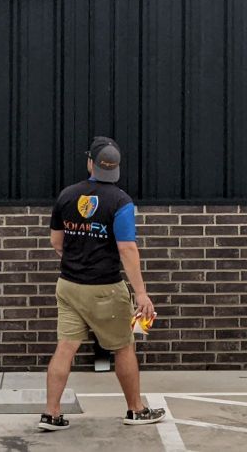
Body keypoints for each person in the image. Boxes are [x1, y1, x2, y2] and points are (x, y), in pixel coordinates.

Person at [38, 136, 166, 431]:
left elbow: (56, 241)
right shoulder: (120, 202)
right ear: (115, 169)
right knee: (123, 347)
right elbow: (127, 249)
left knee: (65, 348)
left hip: (68, 285)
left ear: (91, 163)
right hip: (106, 288)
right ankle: (135, 410)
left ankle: (52, 413)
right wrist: (141, 294)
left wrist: (76, 256)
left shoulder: (67, 196)